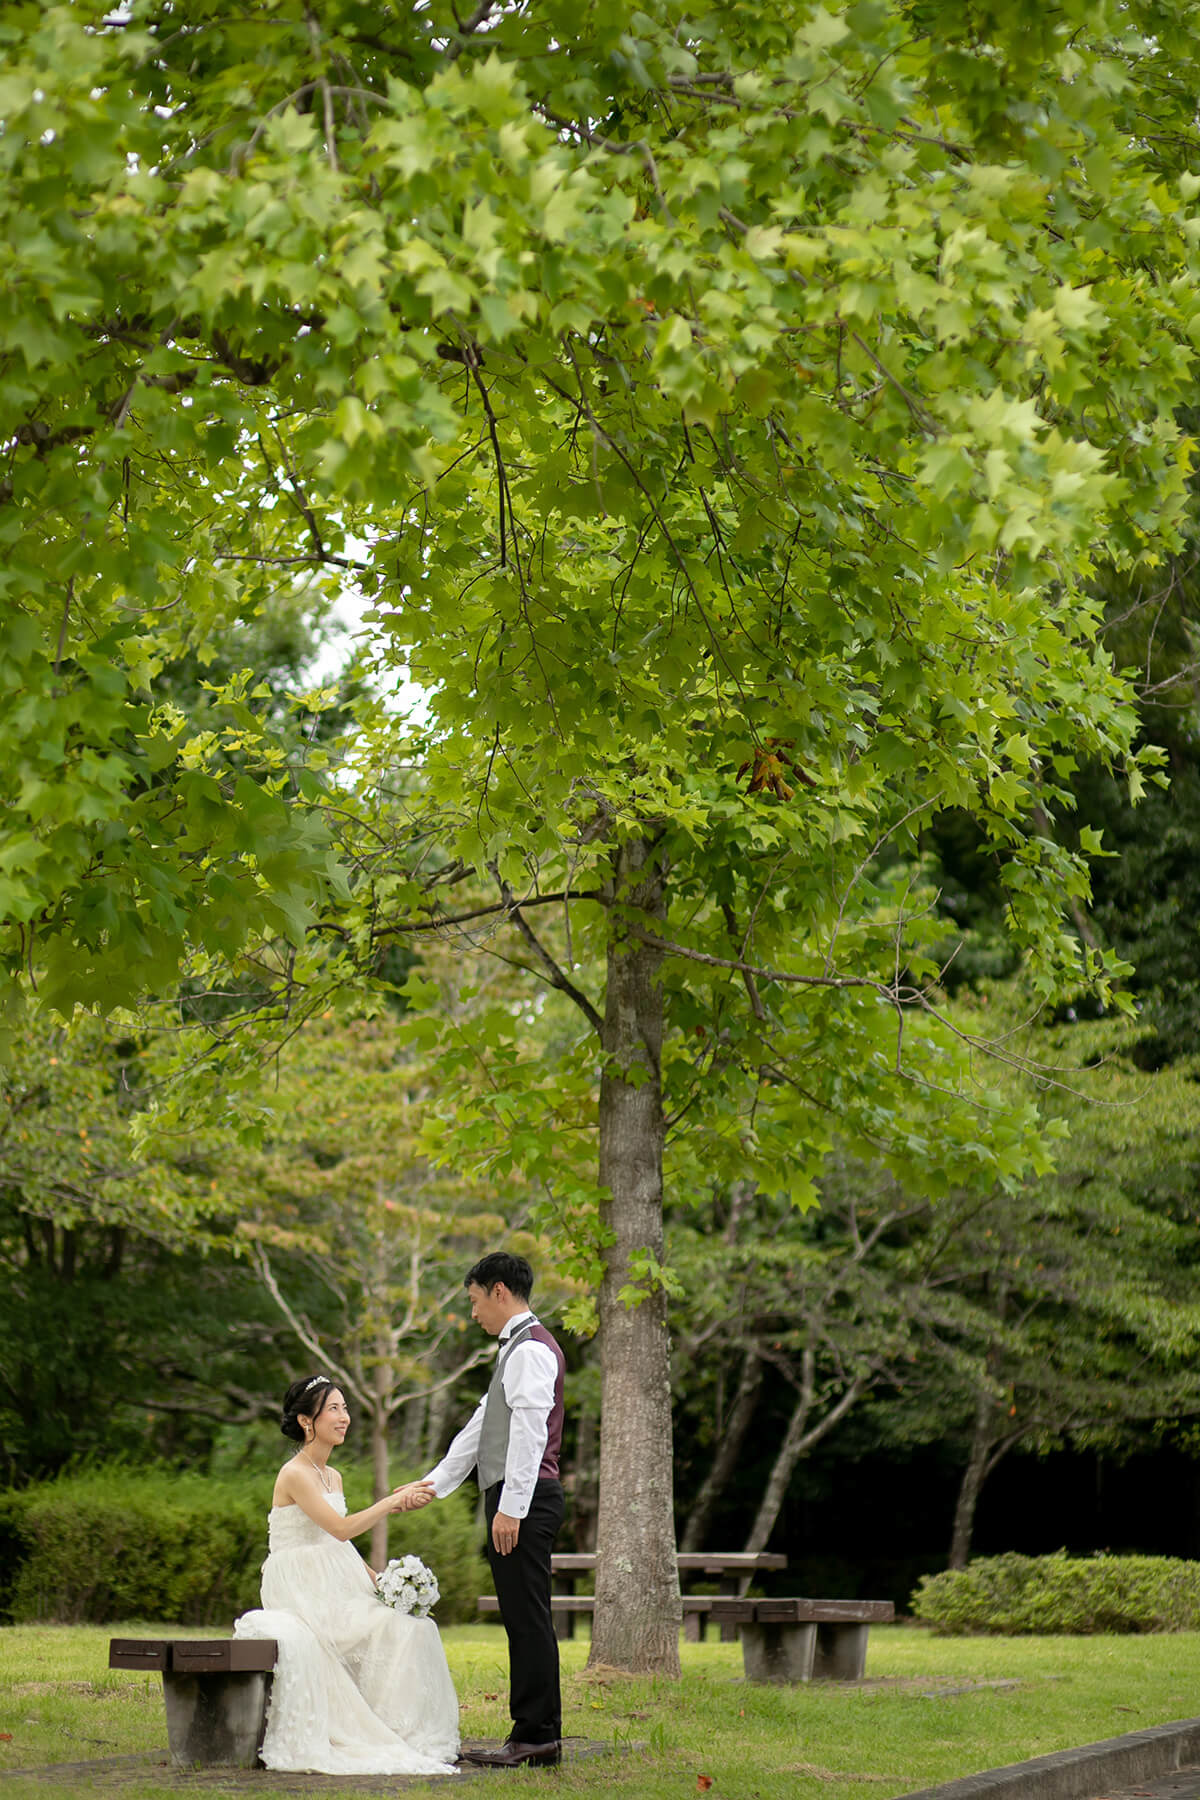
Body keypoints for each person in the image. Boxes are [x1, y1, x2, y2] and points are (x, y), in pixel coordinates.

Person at [232, 1375, 459, 1776]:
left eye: (345, 1408)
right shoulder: (295, 1474)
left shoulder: (331, 1475)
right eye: (334, 1409)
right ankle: (378, 1733)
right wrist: (390, 1502)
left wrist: (381, 1580)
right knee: (385, 1628)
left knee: (410, 1625)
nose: (344, 1417)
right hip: (301, 1585)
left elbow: (337, 1541)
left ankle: (402, 1730)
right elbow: (339, 1527)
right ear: (307, 1421)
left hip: (336, 1574)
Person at [421, 1252, 566, 1769]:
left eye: (476, 1300)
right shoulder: (515, 1351)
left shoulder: (529, 1351)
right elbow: (484, 1426)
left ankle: (537, 1736)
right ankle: (535, 1732)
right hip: (514, 1498)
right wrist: (434, 1485)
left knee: (528, 1620)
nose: (474, 1313)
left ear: (499, 1291)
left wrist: (511, 1509)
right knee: (524, 1618)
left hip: (523, 1500)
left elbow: (528, 1437)